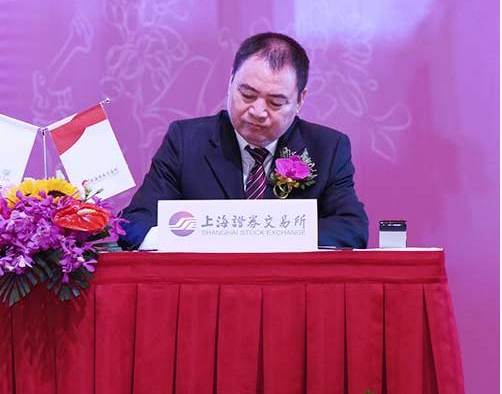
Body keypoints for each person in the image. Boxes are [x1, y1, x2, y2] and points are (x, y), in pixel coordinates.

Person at [119, 32, 368, 249]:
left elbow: (351, 228)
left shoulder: (327, 148)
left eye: (276, 102)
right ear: (230, 82)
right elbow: (134, 222)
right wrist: (196, 239)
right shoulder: (186, 141)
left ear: (300, 100)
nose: (258, 111)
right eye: (247, 95)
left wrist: (260, 238)